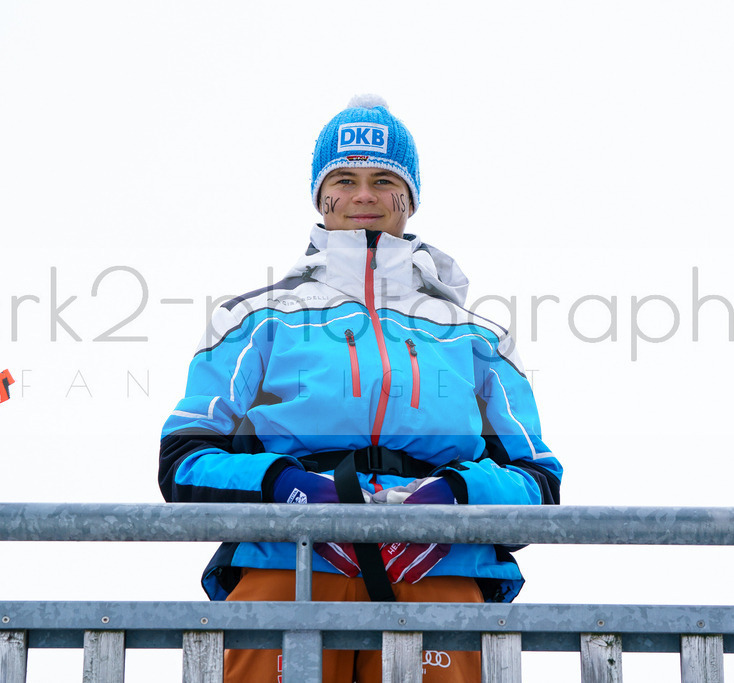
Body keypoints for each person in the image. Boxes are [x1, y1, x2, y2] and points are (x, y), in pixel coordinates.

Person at [158, 95, 562, 682]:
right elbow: (183, 460)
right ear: (320, 196)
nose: (364, 195)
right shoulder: (255, 319)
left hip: (439, 568)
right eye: (344, 180)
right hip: (287, 560)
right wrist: (288, 489)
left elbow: (538, 480)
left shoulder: (477, 336)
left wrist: (453, 498)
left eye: (384, 180)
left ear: (410, 198)